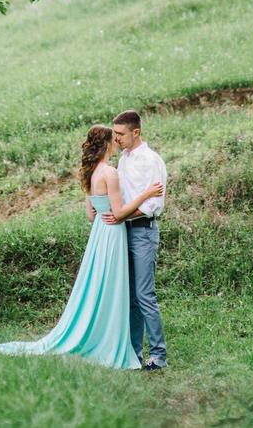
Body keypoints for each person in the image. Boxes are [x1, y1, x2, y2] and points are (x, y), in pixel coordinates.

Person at [0, 124, 163, 370]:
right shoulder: (110, 173)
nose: (117, 141)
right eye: (114, 138)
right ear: (107, 143)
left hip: (99, 233)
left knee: (103, 285)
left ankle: (117, 339)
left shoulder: (90, 174)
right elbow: (118, 213)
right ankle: (115, 341)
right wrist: (146, 193)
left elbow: (91, 214)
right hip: (114, 234)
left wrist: (105, 212)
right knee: (114, 288)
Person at [100, 109, 168, 371]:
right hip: (123, 231)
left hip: (143, 232)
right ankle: (134, 353)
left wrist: (122, 217)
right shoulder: (124, 159)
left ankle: (159, 356)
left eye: (120, 134)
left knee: (144, 294)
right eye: (114, 133)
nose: (116, 139)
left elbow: (154, 204)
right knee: (130, 296)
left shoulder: (151, 160)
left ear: (136, 132)